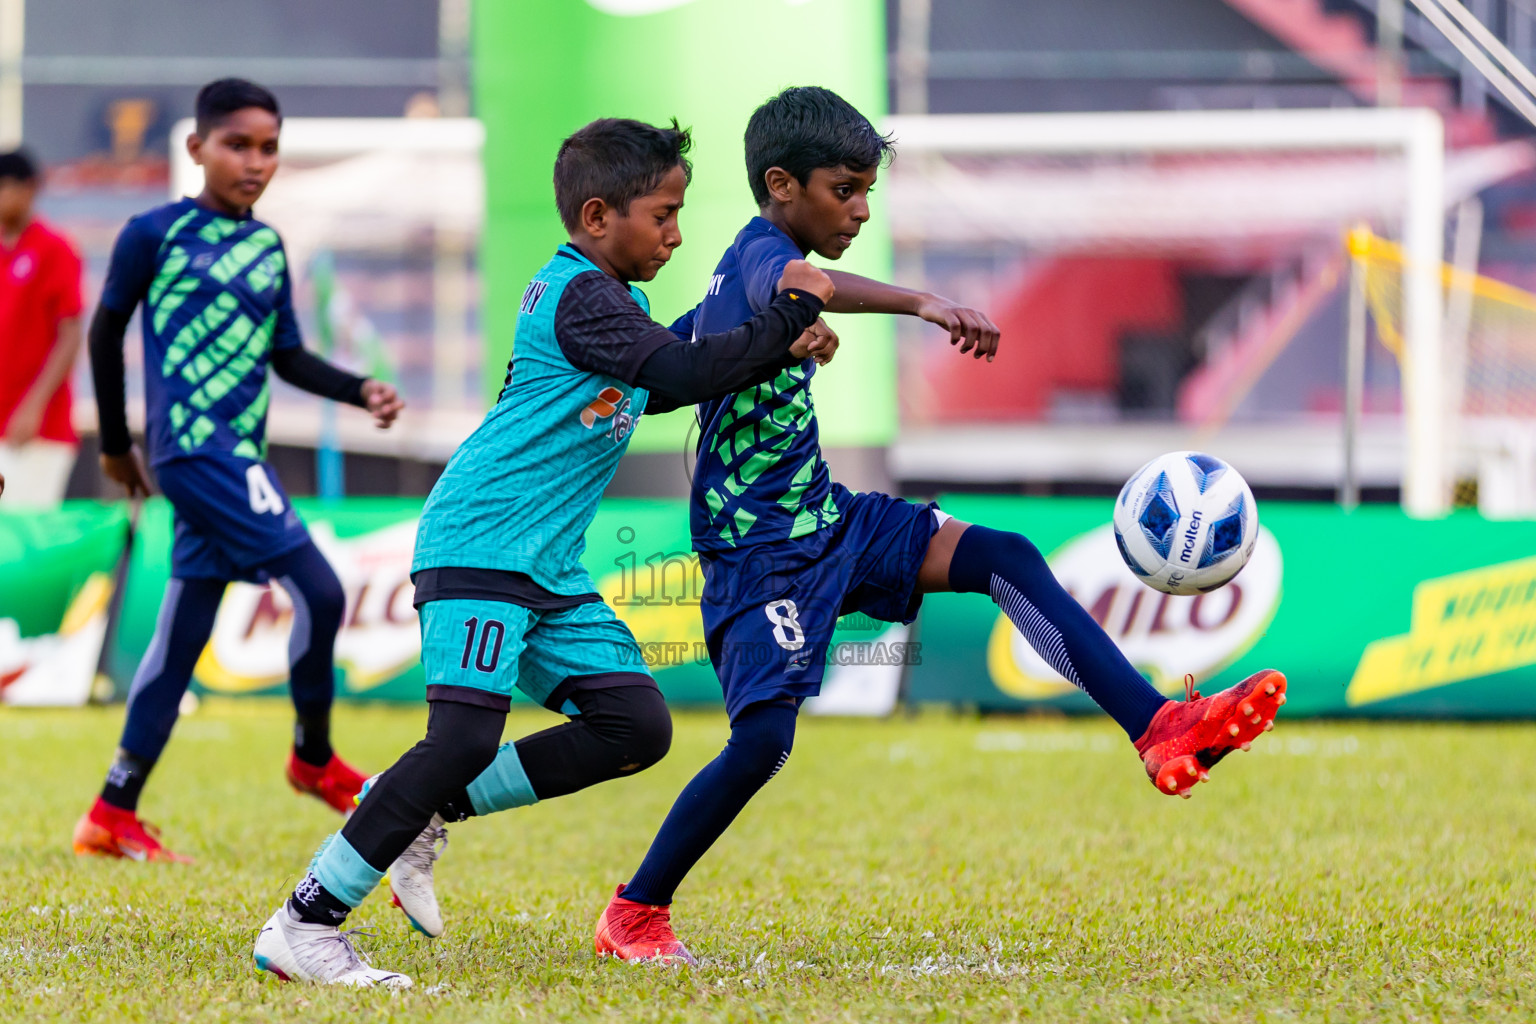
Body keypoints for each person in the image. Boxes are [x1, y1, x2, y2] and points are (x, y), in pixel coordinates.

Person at [591, 86, 1290, 965]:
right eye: (844, 189)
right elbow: (805, 284)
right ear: (782, 184)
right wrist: (921, 302)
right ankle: (636, 910)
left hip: (831, 520)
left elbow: (688, 361)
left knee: (1002, 555)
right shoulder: (767, 253)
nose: (860, 208)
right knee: (763, 742)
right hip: (757, 556)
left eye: (865, 190)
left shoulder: (742, 271)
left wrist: (778, 342)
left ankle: (1158, 728)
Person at [249, 116, 837, 988]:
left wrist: (770, 341)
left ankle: (409, 811)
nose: (676, 234)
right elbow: (681, 374)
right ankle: (305, 923)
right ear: (598, 216)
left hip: (543, 565)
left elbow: (675, 366)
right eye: (663, 215)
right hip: (485, 540)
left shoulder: (608, 303)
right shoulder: (582, 297)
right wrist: (792, 310)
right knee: (460, 737)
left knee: (633, 724)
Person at [74, 78, 404, 863]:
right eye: (237, 145)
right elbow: (104, 333)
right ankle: (313, 759)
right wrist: (118, 445)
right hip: (195, 450)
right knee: (321, 589)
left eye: (268, 148)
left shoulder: (266, 245)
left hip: (233, 454)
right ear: (196, 149)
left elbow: (284, 354)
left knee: (182, 635)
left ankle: (111, 811)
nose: (255, 162)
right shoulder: (152, 233)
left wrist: (357, 388)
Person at [0, 148, 85, 508]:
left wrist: (33, 407)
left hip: (38, 428)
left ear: (29, 189)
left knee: (22, 542)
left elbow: (70, 334)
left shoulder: (54, 249)